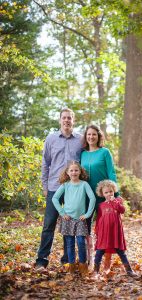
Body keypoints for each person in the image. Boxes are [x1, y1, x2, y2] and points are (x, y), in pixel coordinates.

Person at [35, 108, 83, 269]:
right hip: (54, 188)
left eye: (69, 118)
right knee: (49, 224)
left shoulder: (80, 140)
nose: (67, 120)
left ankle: (67, 260)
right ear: (60, 120)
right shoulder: (51, 138)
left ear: (73, 120)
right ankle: (41, 261)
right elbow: (45, 164)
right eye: (64, 118)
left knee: (69, 225)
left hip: (72, 189)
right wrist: (45, 186)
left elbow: (83, 164)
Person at [81, 124, 119, 270]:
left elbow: (112, 173)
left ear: (98, 136)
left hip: (104, 197)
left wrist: (115, 194)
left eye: (94, 134)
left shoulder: (105, 152)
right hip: (86, 197)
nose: (91, 137)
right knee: (85, 229)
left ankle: (107, 262)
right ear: (86, 137)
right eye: (88, 134)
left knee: (106, 229)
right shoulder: (82, 154)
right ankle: (90, 260)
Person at [52, 161, 96, 276]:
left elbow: (92, 198)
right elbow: (55, 198)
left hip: (80, 219)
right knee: (69, 243)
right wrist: (62, 212)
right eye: (71, 170)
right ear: (67, 172)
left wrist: (87, 214)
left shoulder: (84, 184)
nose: (74, 172)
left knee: (81, 242)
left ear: (80, 171)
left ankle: (83, 266)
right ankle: (71, 267)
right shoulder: (65, 185)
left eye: (76, 170)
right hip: (67, 219)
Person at [93, 180, 137, 277]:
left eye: (111, 191)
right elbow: (99, 220)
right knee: (99, 252)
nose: (109, 194)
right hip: (104, 233)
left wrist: (114, 201)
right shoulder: (100, 206)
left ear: (114, 191)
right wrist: (97, 232)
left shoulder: (118, 201)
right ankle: (95, 271)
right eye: (106, 192)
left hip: (115, 232)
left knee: (121, 252)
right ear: (102, 194)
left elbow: (122, 210)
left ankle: (129, 270)